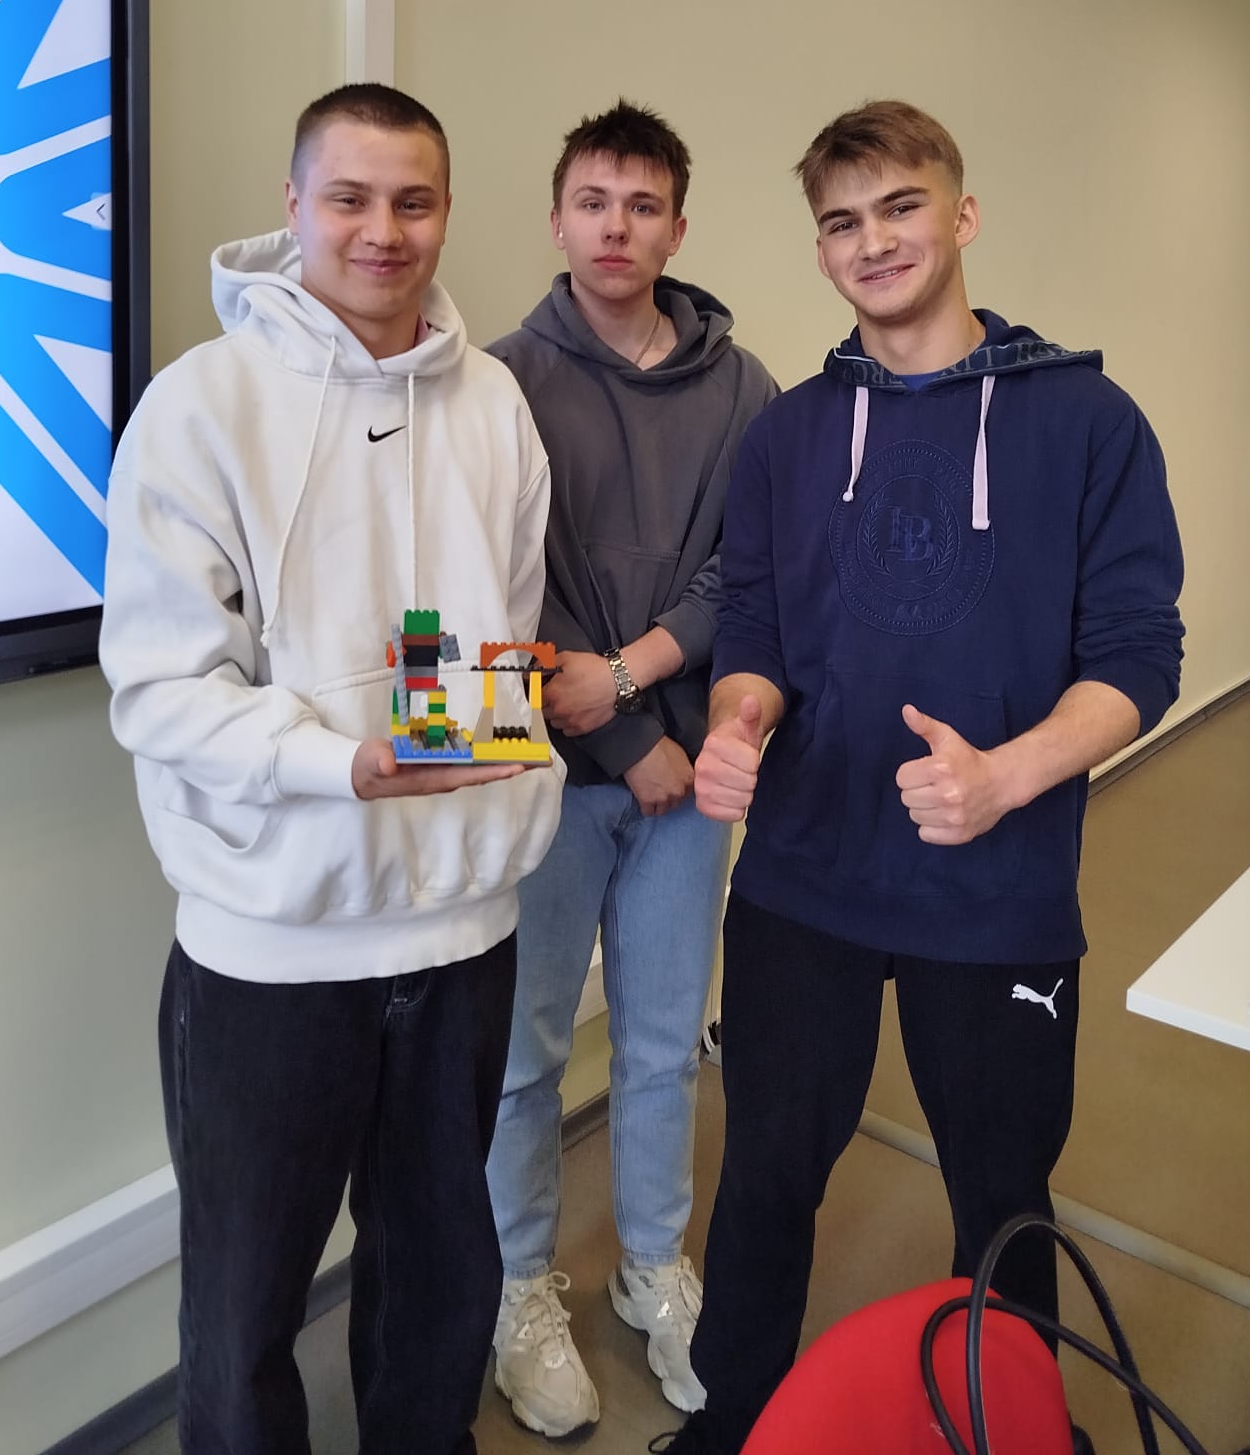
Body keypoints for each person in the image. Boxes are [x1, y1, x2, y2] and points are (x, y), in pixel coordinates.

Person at [663, 99, 1184, 1455]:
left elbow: (1140, 656)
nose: (874, 241)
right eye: (842, 221)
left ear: (962, 214)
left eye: (901, 207)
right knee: (766, 1175)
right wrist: (738, 722)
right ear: (820, 249)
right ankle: (731, 1427)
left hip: (997, 892)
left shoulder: (1089, 423)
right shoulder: (787, 436)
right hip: (805, 880)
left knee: (1003, 1198)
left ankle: (1018, 1433)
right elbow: (758, 632)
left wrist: (1008, 779)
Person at [100, 83, 565, 1455]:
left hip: (463, 932)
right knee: (244, 1312)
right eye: (350, 199)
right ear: (293, 205)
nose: (382, 231)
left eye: (413, 201)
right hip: (271, 948)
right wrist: (339, 766)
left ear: (446, 212)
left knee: (437, 1289)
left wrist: (453, 747)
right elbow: (160, 690)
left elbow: (493, 637)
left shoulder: (493, 404)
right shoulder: (201, 407)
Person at [483, 101, 775, 1439]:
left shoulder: (743, 389)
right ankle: (517, 1287)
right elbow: (500, 589)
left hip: (685, 784)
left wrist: (641, 685)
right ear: (558, 220)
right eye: (593, 202)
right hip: (545, 782)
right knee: (526, 1053)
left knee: (663, 1042)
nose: (617, 226)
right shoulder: (496, 383)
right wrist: (617, 735)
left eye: (643, 205)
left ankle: (655, 1264)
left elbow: (747, 572)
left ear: (677, 227)